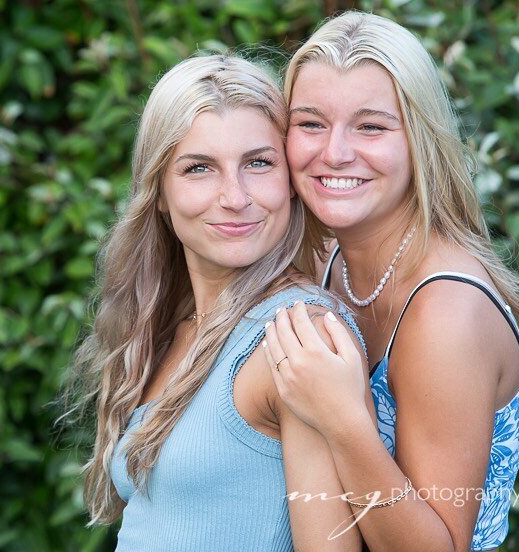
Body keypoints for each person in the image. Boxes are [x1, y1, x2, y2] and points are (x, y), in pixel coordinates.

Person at [62, 54, 372, 551]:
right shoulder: (174, 324)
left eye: (258, 163)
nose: (235, 196)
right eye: (199, 168)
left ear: (291, 181)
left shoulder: (297, 338)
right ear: (158, 191)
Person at [263, 11, 519, 552]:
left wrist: (343, 418)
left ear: (419, 139)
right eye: (311, 123)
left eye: (370, 126)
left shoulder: (447, 312)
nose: (335, 152)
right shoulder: (324, 260)